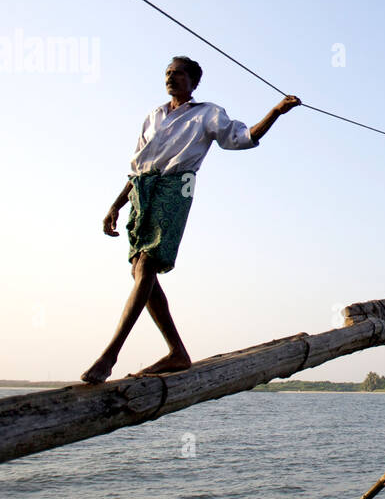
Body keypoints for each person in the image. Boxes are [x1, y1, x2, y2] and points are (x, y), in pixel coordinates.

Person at [80, 56, 300, 383]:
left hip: (175, 186)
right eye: (168, 73)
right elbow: (139, 167)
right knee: (140, 269)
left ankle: (109, 355)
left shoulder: (206, 113)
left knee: (146, 266)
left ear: (193, 82)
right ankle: (177, 352)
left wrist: (276, 113)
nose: (171, 78)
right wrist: (116, 205)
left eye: (179, 74)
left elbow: (242, 137)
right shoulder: (153, 116)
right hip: (143, 190)